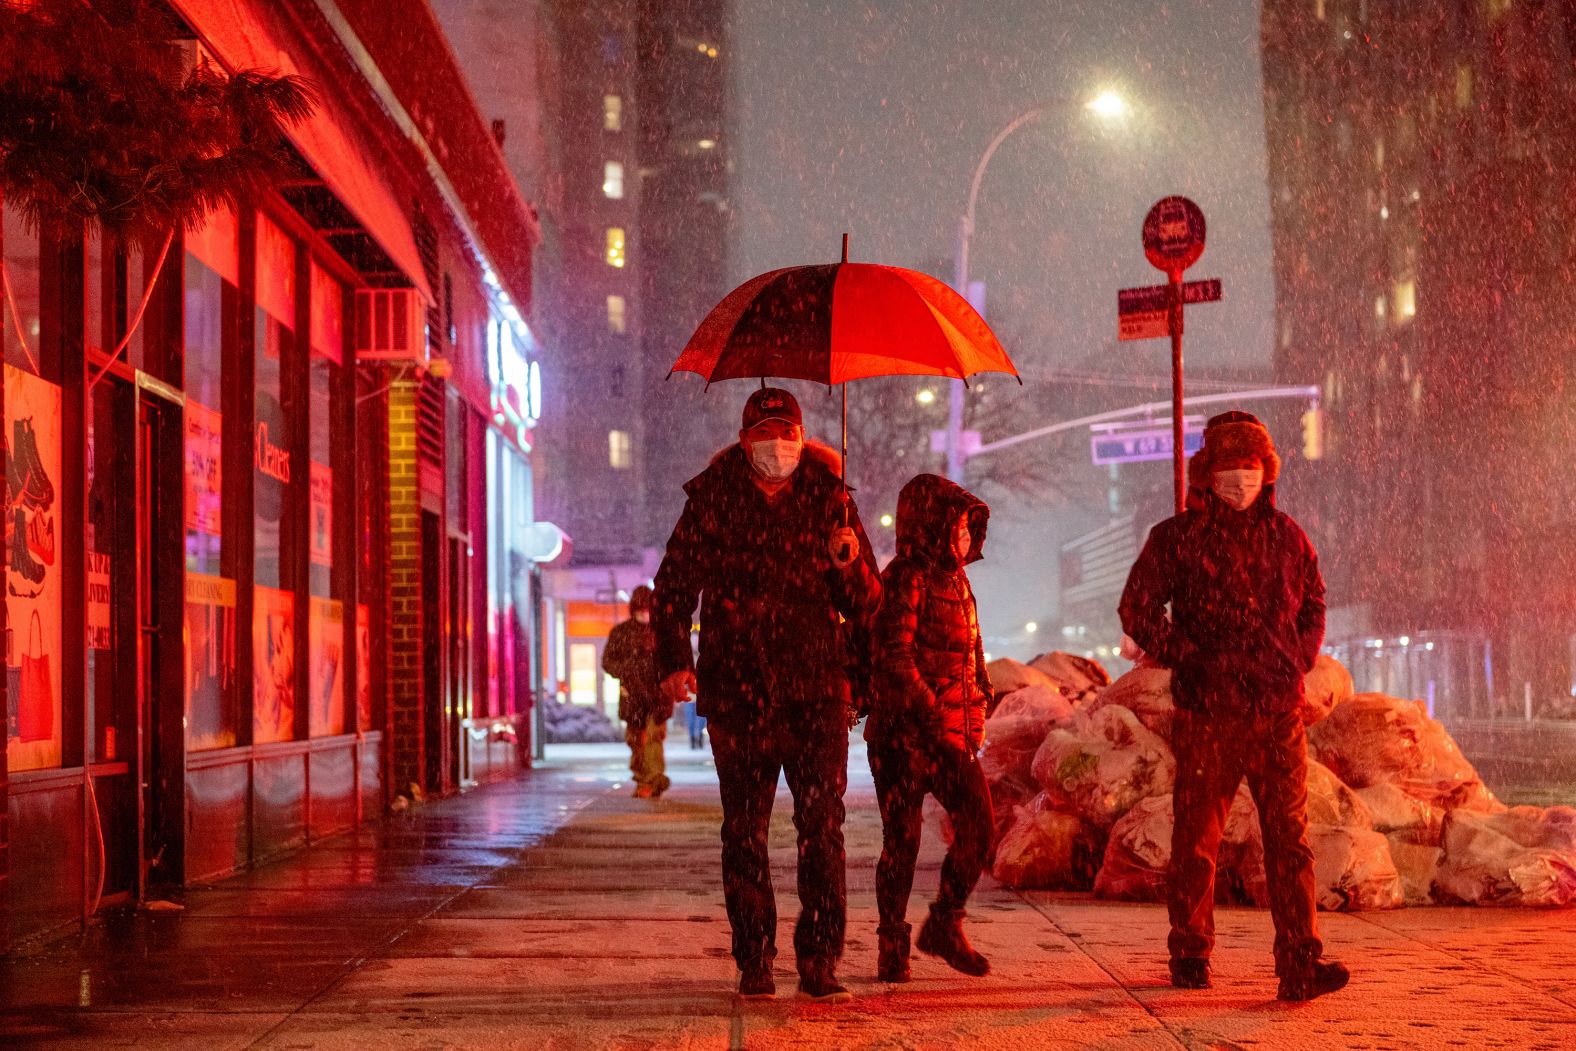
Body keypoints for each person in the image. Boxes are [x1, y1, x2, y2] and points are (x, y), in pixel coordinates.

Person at [653, 387, 880, 1003]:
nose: (775, 443)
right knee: (745, 831)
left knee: (822, 827)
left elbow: (867, 607)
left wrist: (848, 564)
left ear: (802, 439)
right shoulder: (712, 498)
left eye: (786, 430)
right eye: (764, 431)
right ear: (745, 437)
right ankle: (754, 958)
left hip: (815, 691)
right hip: (738, 689)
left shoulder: (832, 500)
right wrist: (674, 662)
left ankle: (820, 959)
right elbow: (672, 586)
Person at [1118, 410, 1349, 1002]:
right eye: (1228, 468)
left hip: (1277, 713)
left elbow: (1315, 602)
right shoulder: (1177, 539)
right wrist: (1186, 656)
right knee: (1198, 838)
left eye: (1250, 467)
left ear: (1266, 472)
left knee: (1290, 841)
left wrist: (1299, 656)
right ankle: (1190, 952)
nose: (1240, 479)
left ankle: (1300, 960)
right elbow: (1137, 609)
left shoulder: (1290, 537)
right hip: (1208, 715)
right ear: (1207, 475)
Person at [866, 474, 994, 984]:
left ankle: (945, 921)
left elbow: (972, 656)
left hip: (949, 735)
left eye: (970, 525)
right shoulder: (906, 577)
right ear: (935, 523)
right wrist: (928, 707)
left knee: (980, 825)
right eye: (960, 523)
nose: (966, 533)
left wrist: (980, 700)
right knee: (903, 840)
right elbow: (893, 653)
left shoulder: (959, 582)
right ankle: (891, 941)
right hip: (902, 736)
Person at [602, 585, 669, 798]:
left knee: (651, 738)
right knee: (637, 739)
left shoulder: (660, 633)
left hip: (657, 697)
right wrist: (627, 671)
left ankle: (650, 779)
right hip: (633, 697)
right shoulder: (622, 633)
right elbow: (608, 662)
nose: (645, 614)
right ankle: (648, 778)